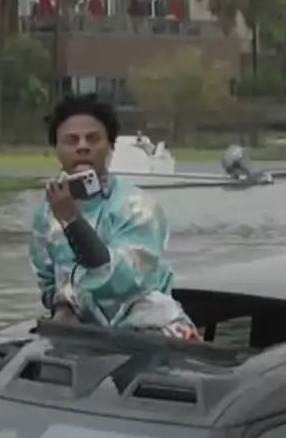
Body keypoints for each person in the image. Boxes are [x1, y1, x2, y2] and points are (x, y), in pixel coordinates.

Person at [28, 94, 198, 339]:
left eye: (93, 138)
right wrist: (63, 308)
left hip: (151, 333)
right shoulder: (45, 212)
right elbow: (47, 282)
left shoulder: (137, 206)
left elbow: (120, 280)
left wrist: (72, 220)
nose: (82, 146)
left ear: (111, 146)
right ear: (56, 149)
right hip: (82, 334)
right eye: (71, 140)